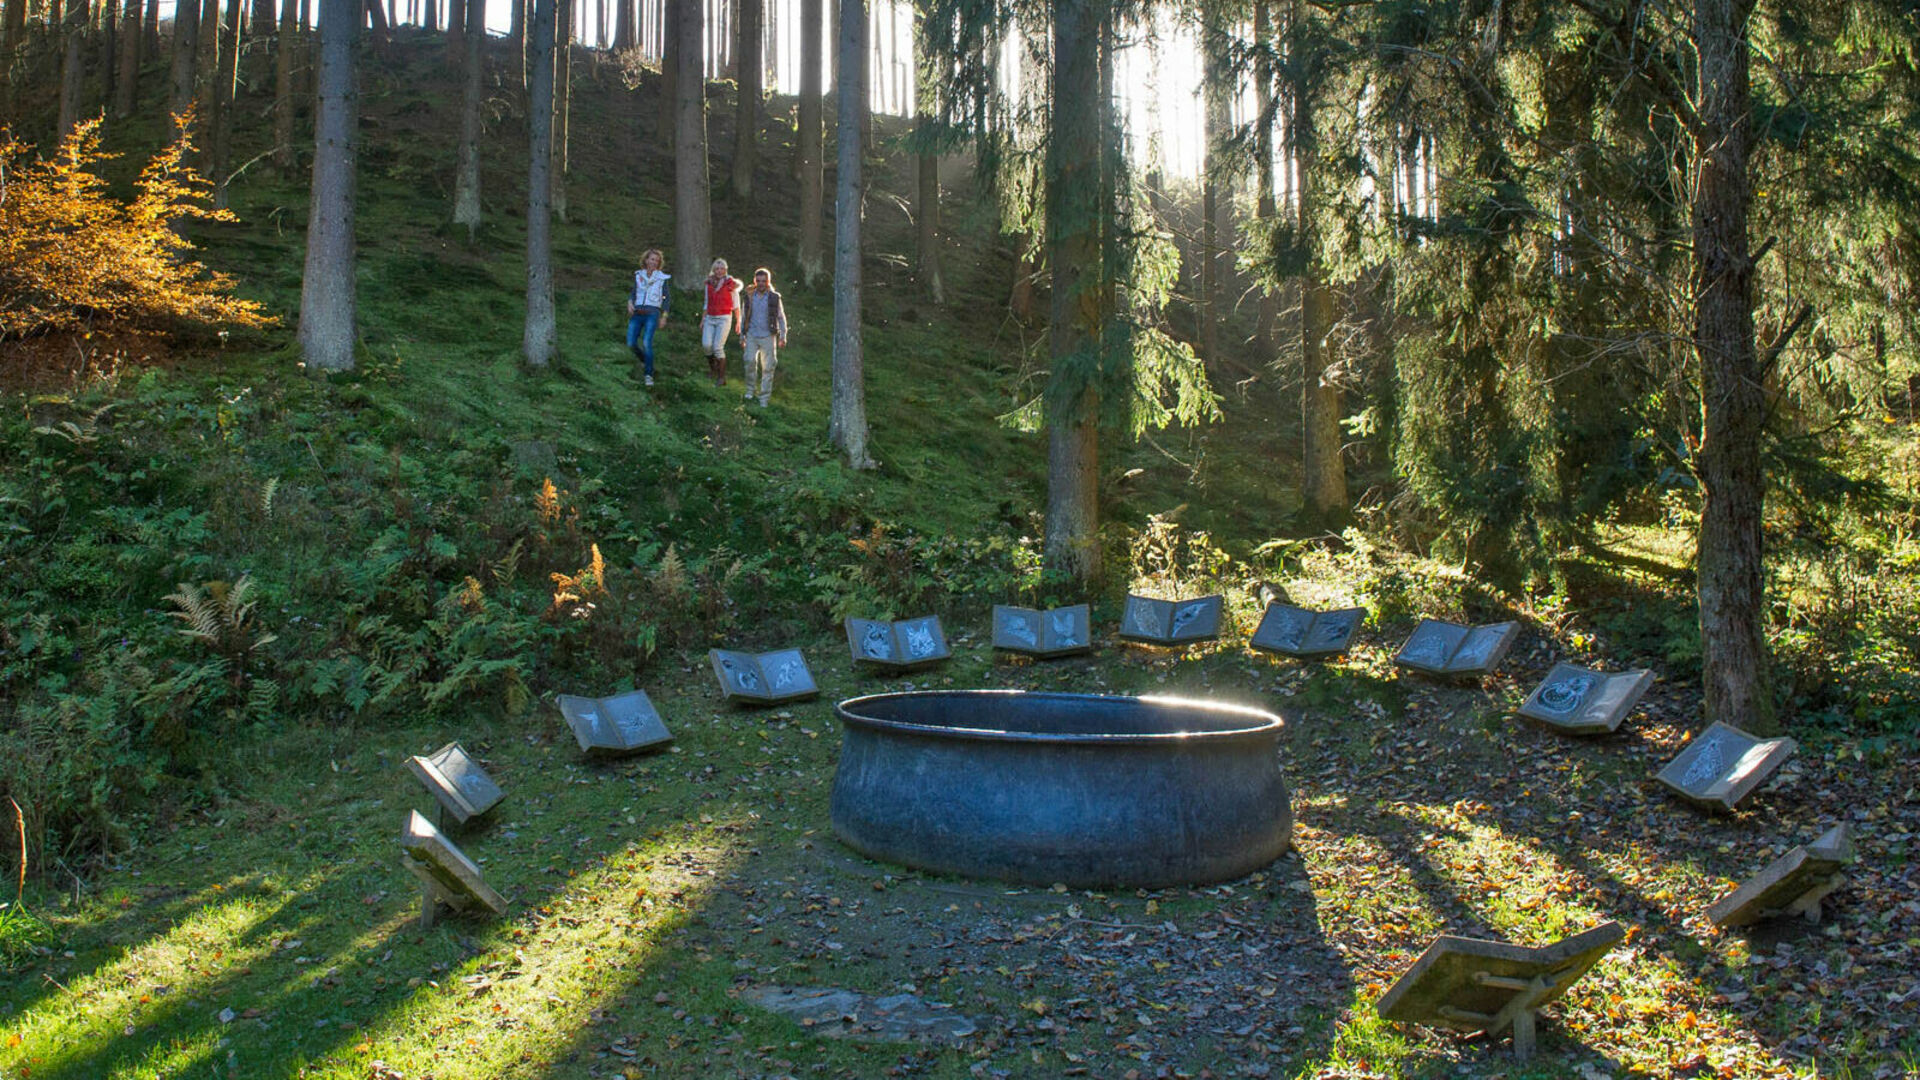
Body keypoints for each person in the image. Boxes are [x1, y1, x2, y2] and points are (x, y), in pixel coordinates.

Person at [738, 267, 788, 407]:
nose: (761, 283)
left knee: (768, 367)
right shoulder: (748, 297)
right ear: (755, 281)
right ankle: (750, 390)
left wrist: (783, 336)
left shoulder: (774, 297)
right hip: (752, 334)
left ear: (768, 282)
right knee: (749, 361)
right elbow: (743, 317)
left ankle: (764, 398)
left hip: (768, 335)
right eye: (758, 281)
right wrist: (742, 335)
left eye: (763, 281)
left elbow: (781, 317)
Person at [626, 248, 670, 387]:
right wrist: (629, 302)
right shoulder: (638, 275)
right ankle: (647, 361)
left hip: (652, 313)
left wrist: (664, 316)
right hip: (638, 312)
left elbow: (667, 298)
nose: (654, 262)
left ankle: (648, 375)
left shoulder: (662, 278)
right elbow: (634, 292)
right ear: (646, 260)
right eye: (652, 259)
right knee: (631, 343)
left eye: (657, 260)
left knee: (646, 342)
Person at [700, 258, 743, 387]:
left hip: (724, 318)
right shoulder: (709, 284)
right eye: (717, 268)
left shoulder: (730, 284)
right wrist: (703, 319)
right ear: (713, 270)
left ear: (725, 270)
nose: (719, 271)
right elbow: (707, 303)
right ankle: (713, 369)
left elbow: (736, 304)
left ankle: (721, 377)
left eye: (722, 268)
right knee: (707, 345)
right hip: (710, 318)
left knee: (717, 347)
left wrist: (738, 321)